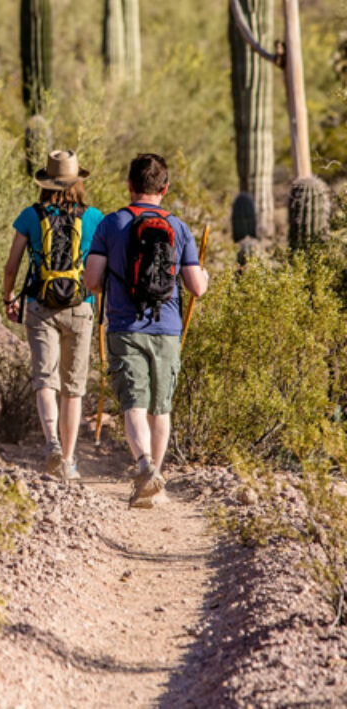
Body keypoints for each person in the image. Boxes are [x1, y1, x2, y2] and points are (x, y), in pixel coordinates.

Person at [84, 153, 208, 507]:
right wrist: (206, 278)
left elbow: (92, 282)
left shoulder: (111, 224)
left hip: (124, 326)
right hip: (167, 328)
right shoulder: (179, 227)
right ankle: (155, 483)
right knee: (160, 407)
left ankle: (144, 468)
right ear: (165, 188)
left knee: (133, 405)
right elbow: (196, 287)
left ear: (129, 185)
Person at [3, 150, 104, 481]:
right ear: (78, 182)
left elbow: (12, 264)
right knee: (72, 388)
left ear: (45, 182)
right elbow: (102, 266)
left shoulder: (30, 216)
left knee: (45, 379)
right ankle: (70, 461)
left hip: (40, 305)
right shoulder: (93, 218)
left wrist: (8, 297)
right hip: (80, 306)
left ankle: (52, 445)